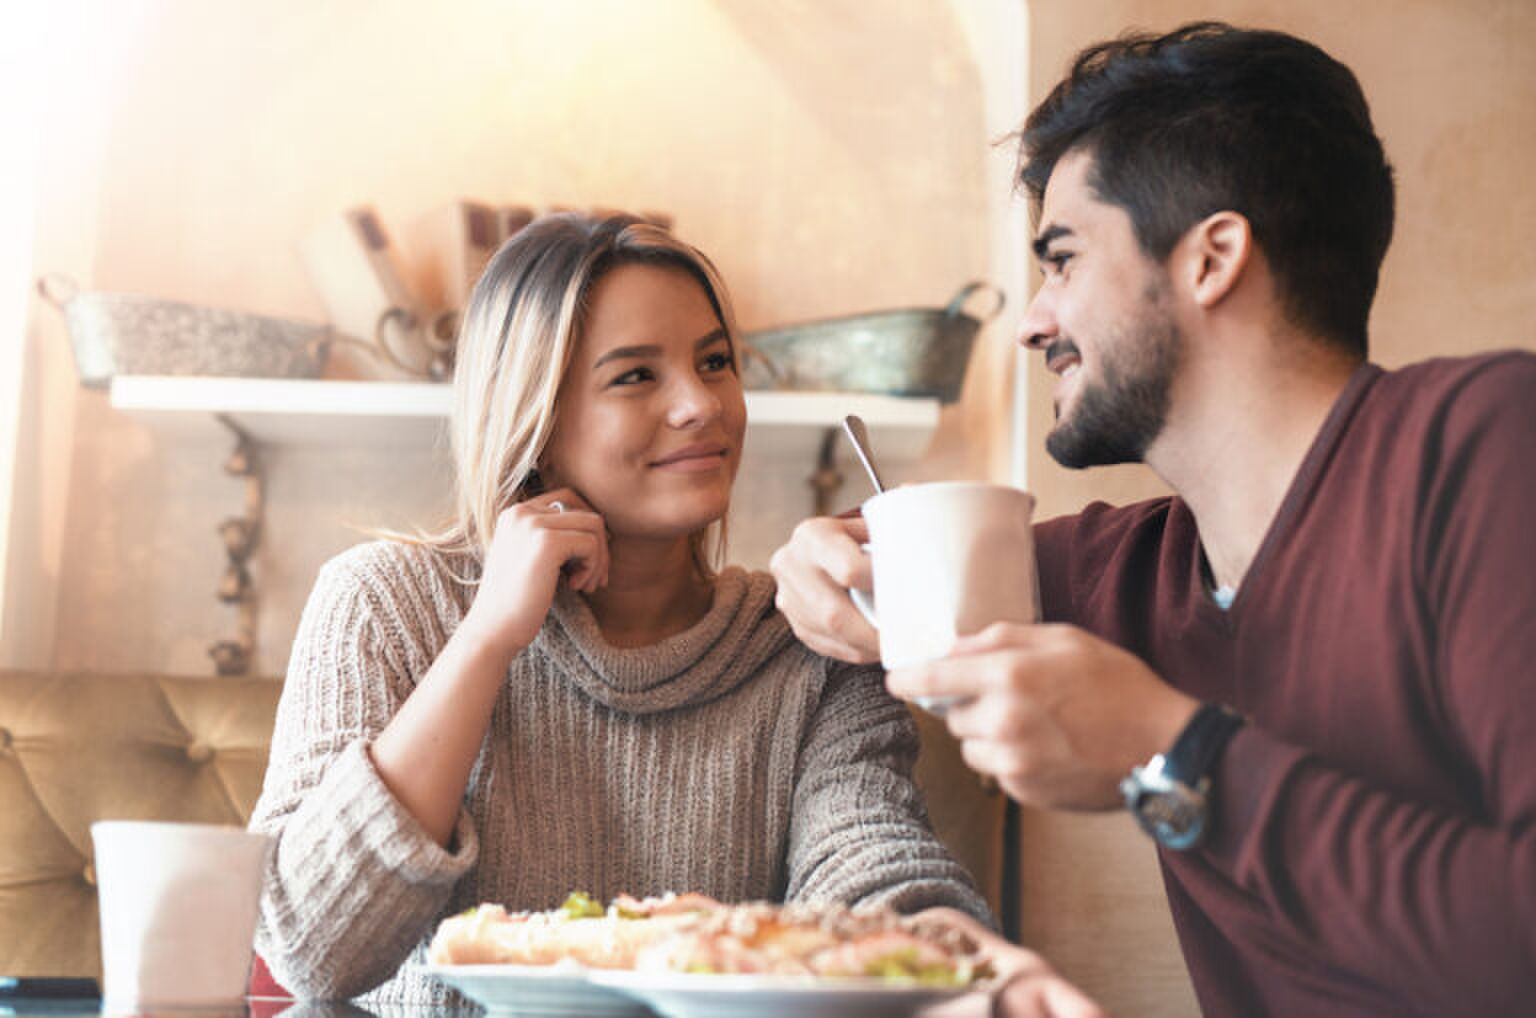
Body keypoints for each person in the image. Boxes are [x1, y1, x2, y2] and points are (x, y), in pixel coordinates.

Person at [770, 21, 1535, 1018]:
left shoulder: (1485, 446)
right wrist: (814, 565)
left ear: (1212, 258)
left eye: (1064, 261)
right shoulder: (1126, 572)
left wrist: (1179, 754)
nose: (1036, 321)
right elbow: (861, 563)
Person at [248, 212, 994, 1007]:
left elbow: (877, 873)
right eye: (636, 375)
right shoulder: (380, 603)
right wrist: (488, 637)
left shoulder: (808, 640)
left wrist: (980, 967)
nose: (702, 404)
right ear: (534, 418)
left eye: (715, 362)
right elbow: (312, 953)